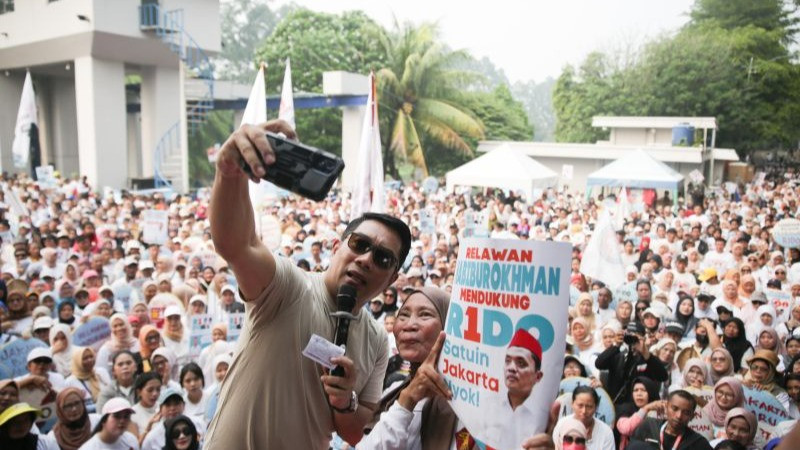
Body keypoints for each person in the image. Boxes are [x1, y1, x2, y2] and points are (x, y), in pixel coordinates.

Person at [205, 121, 411, 450]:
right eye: (359, 244)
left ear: (392, 279)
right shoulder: (288, 287)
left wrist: (345, 400)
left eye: (384, 259)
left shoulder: (376, 340)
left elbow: (355, 432)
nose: (367, 259)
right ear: (336, 247)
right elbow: (236, 244)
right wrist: (229, 173)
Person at [357, 287, 456, 449]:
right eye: (403, 315)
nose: (409, 325)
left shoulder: (465, 404)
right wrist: (407, 400)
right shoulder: (396, 391)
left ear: (449, 325)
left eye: (425, 314)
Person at [595, 321, 668, 405]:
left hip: (640, 407)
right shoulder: (618, 356)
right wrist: (616, 345)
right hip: (617, 405)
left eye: (636, 335)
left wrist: (645, 353)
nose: (632, 339)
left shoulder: (648, 359)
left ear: (643, 338)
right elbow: (599, 364)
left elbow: (662, 376)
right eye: (629, 334)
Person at [628, 390, 713, 450]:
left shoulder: (698, 443)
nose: (679, 416)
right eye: (675, 409)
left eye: (686, 413)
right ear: (666, 407)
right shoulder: (648, 426)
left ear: (692, 416)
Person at [131, 372, 161, 437]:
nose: (155, 394)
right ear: (139, 392)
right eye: (150, 390)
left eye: (158, 390)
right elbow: (136, 444)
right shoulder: (132, 413)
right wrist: (149, 427)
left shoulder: (163, 408)